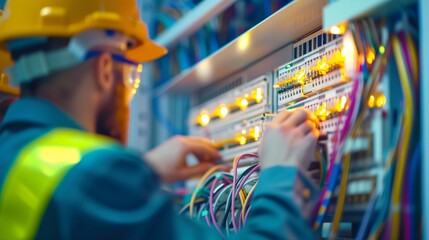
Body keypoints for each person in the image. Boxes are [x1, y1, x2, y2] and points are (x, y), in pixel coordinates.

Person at [0, 1, 320, 239]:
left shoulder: (12, 156)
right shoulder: (94, 177)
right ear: (105, 69)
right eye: (132, 77)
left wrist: (143, 170)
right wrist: (281, 173)